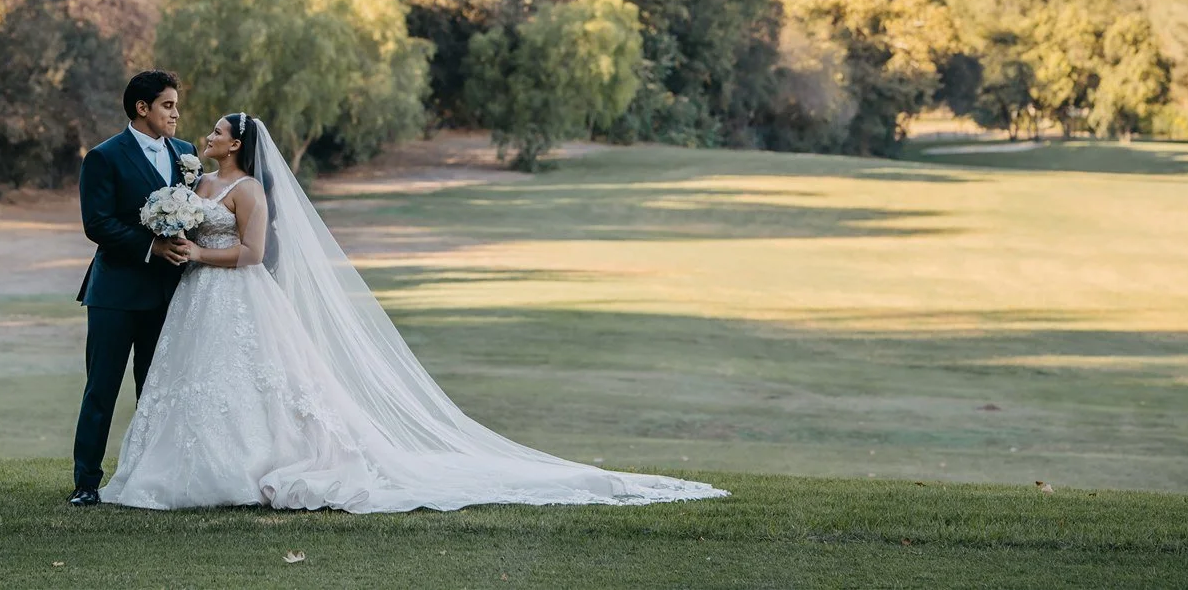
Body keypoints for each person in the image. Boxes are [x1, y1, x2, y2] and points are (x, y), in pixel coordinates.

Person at [99, 112, 728, 512]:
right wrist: (174, 231)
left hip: (233, 295)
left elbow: (255, 254)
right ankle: (176, 471)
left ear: (236, 144)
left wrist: (195, 255)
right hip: (194, 305)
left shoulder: (249, 189)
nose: (203, 136)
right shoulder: (197, 184)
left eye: (214, 131)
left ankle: (243, 472)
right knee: (193, 384)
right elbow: (182, 218)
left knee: (253, 384)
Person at [68, 70, 198, 506]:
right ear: (142, 108)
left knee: (156, 387)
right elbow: (97, 223)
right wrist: (152, 246)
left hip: (168, 294)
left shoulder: (186, 153)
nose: (176, 113)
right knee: (101, 389)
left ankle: (148, 477)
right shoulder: (103, 157)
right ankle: (86, 483)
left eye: (176, 105)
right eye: (167, 105)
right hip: (115, 295)